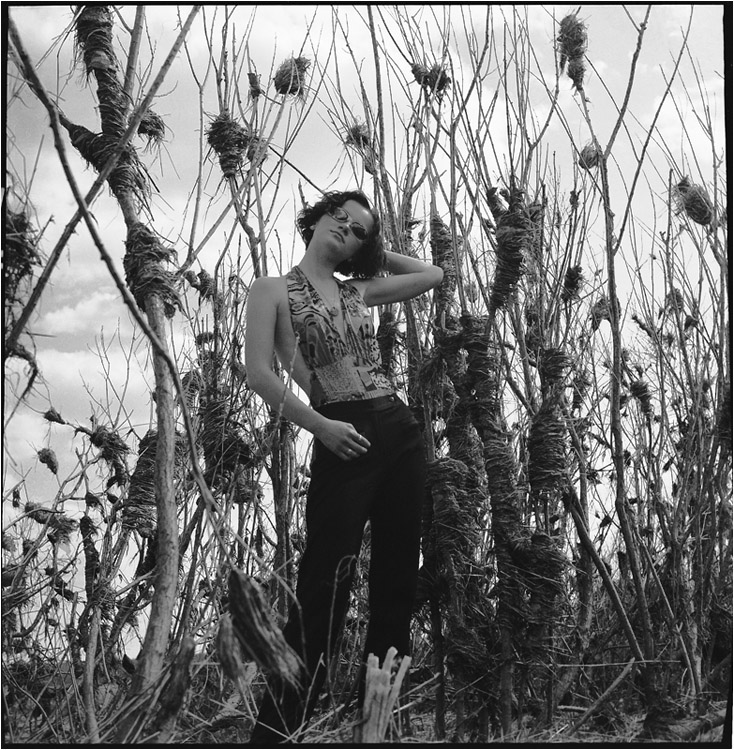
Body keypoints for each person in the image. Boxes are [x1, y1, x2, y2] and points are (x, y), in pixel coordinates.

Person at [244, 189, 443, 743]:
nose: (346, 229)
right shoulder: (271, 290)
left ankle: (376, 725)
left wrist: (373, 250)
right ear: (316, 218)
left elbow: (431, 274)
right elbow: (259, 374)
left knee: (397, 579)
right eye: (340, 217)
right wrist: (320, 427)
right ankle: (278, 730)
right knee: (325, 580)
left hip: (398, 429)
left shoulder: (359, 290)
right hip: (340, 430)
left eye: (359, 230)